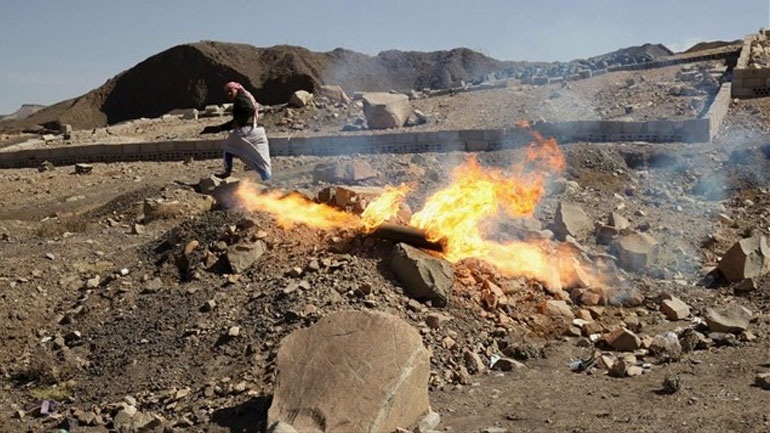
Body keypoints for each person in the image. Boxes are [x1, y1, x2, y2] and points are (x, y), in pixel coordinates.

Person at [200, 81, 272, 181]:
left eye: (231, 91)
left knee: (228, 147)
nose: (229, 94)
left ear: (237, 89)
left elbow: (248, 109)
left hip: (246, 131)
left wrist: (223, 127)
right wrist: (220, 128)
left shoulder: (240, 99)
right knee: (262, 160)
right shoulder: (246, 98)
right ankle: (267, 180)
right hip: (258, 131)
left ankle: (227, 172)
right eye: (227, 92)